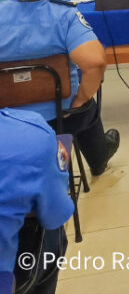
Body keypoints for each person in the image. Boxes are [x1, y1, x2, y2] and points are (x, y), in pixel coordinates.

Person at [0, 0, 120, 176]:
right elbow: (95, 63)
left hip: (6, 123)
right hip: (60, 120)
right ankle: (98, 162)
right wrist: (80, 100)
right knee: (87, 106)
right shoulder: (65, 16)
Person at [1, 108, 73, 294]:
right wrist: (52, 159)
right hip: (9, 281)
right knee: (52, 230)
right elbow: (56, 215)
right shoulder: (30, 131)